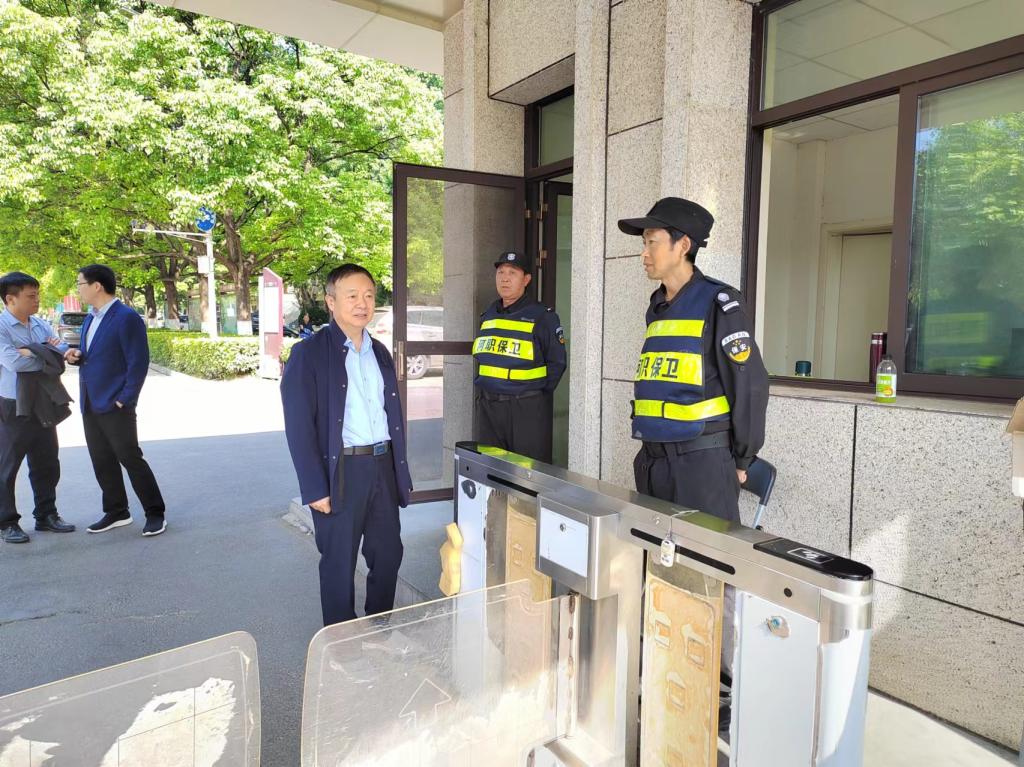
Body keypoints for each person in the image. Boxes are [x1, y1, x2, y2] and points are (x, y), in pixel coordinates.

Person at [619, 197, 768, 521]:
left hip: (701, 464)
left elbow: (749, 388)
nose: (644, 253)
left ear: (683, 245)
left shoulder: (719, 303)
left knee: (704, 552)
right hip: (653, 460)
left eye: (652, 242)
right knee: (655, 549)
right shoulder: (658, 305)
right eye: (644, 244)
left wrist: (743, 459)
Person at [281, 264, 413, 626]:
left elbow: (390, 415)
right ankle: (341, 640)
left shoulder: (380, 352)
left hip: (382, 465)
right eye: (352, 295)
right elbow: (298, 427)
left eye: (368, 295)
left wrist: (399, 471)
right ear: (331, 301)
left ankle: (378, 626)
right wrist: (314, 487)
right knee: (338, 562)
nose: (362, 303)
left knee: (388, 553)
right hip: (341, 471)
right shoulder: (308, 354)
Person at [66, 265, 167, 537]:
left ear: (97, 286)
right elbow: (94, 354)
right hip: (90, 401)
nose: (78, 289)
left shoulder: (126, 317)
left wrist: (126, 399)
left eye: (80, 284)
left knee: (130, 458)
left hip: (115, 403)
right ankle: (116, 511)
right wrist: (77, 355)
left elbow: (138, 362)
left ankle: (155, 512)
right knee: (101, 459)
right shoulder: (91, 318)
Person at [0, 272, 76, 544]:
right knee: (7, 466)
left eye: (37, 295)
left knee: (47, 462)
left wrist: (33, 350)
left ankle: (46, 515)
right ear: (10, 299)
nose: (37, 300)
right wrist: (45, 352)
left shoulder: (40, 324)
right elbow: (14, 363)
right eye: (31, 296)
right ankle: (7, 522)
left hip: (43, 401)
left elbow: (60, 350)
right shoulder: (1, 327)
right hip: (13, 404)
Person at [472, 251, 566, 463]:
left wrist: (533, 395)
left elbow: (557, 364)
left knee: (525, 471)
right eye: (501, 272)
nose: (504, 278)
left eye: (512, 273)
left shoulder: (542, 316)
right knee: (491, 469)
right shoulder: (488, 314)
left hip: (525, 408)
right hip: (489, 408)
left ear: (526, 280)